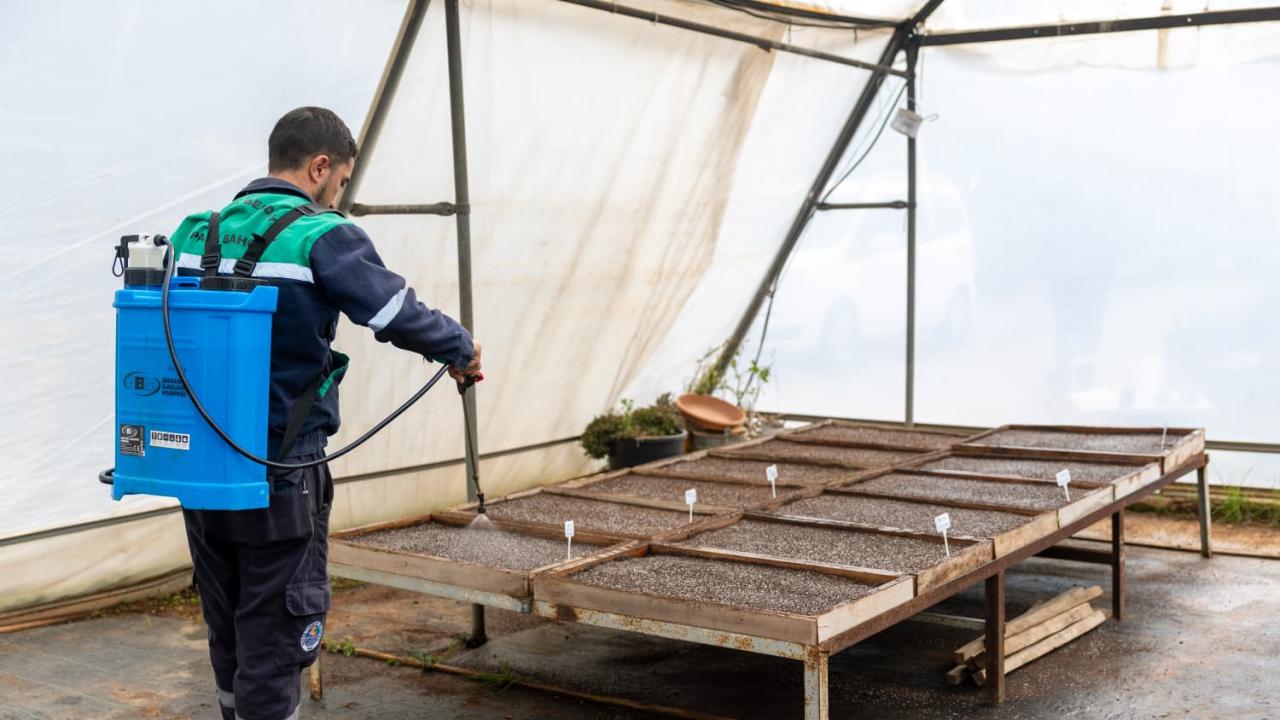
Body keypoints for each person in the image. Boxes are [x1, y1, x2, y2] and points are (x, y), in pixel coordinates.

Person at [169, 106, 482, 720]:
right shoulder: (319, 233)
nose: (337, 194)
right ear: (320, 166)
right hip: (280, 469)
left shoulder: (193, 233)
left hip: (200, 469)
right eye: (339, 182)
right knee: (276, 628)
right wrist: (462, 348)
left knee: (226, 618)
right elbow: (394, 313)